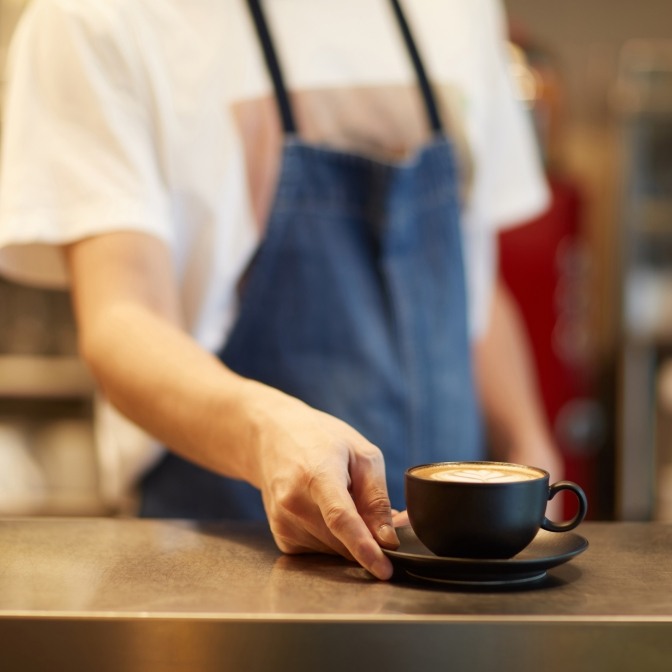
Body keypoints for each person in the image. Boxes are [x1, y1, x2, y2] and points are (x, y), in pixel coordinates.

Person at [0, 0, 562, 580]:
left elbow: (471, 279)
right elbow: (122, 316)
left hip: (453, 575)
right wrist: (266, 434)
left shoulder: (459, 12)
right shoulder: (98, 19)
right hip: (230, 561)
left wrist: (528, 441)